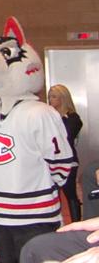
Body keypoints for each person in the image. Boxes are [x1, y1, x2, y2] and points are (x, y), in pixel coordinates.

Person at [48, 84, 83, 222]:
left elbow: (66, 137)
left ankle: (76, 223)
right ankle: (56, 224)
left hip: (68, 161)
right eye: (49, 97)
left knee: (70, 193)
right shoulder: (49, 116)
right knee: (53, 194)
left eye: (54, 97)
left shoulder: (73, 118)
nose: (50, 100)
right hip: (51, 160)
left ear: (63, 98)